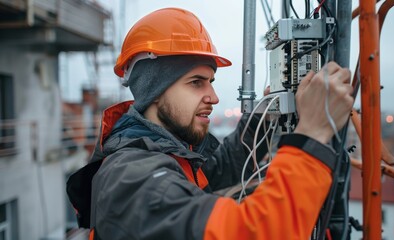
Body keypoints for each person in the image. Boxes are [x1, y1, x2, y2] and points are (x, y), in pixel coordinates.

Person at [67, 7, 354, 240]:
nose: (213, 97)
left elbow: (221, 165)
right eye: (196, 83)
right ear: (154, 92)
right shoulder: (135, 181)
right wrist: (312, 134)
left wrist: (267, 115)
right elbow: (255, 234)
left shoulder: (165, 153)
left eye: (211, 82)